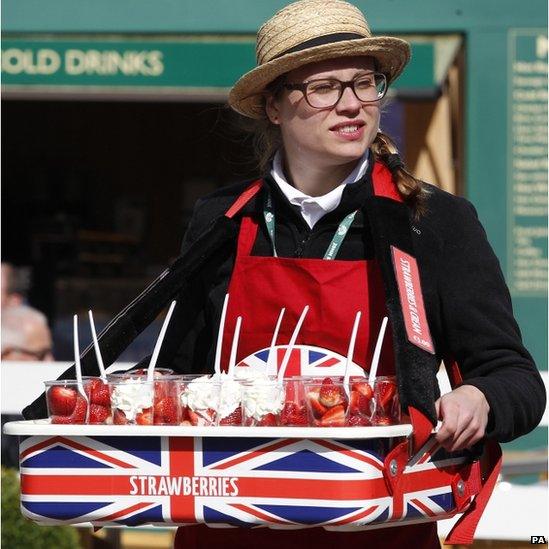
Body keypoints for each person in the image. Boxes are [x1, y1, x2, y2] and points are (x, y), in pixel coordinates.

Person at [19, 0, 546, 547]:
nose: (352, 105)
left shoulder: (432, 223)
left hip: (376, 527)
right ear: (273, 106)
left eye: (365, 84)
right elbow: (174, 374)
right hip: (227, 529)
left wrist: (479, 399)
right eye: (324, 88)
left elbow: (515, 379)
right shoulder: (222, 219)